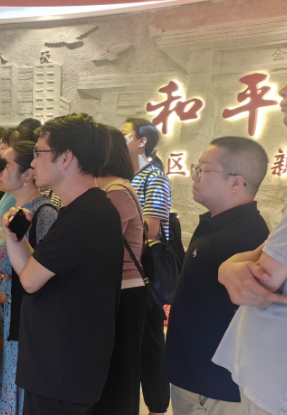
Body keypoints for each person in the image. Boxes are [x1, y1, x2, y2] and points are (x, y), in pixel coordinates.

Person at [3, 113, 123, 415]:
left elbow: (29, 280)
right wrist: (13, 236)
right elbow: (35, 269)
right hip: (59, 365)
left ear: (66, 157)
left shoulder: (87, 214)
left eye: (39, 153)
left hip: (62, 369)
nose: (33, 163)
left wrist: (15, 242)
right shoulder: (82, 209)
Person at [163, 137, 270, 415]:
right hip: (193, 374)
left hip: (218, 386)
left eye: (203, 169)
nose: (194, 176)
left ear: (236, 182)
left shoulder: (247, 234)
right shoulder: (216, 223)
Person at [214, 86, 287, 414]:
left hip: (274, 379)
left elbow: (261, 277)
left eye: (205, 169)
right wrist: (229, 266)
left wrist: (230, 266)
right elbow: (264, 257)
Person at [0, 139, 58, 415]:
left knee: (15, 381)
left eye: (6, 165)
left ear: (28, 173)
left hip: (22, 313)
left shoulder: (44, 212)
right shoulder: (14, 210)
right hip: (5, 306)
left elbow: (44, 272)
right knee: (3, 377)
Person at [92, 126, 146, 415]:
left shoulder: (115, 191)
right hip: (117, 288)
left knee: (119, 368)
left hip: (124, 290)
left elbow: (98, 246)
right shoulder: (113, 188)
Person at [121, 117, 172, 415]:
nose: (120, 138)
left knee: (150, 345)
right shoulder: (125, 175)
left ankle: (157, 408)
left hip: (145, 272)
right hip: (125, 272)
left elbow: (151, 230)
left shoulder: (154, 176)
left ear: (142, 141)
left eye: (125, 134)